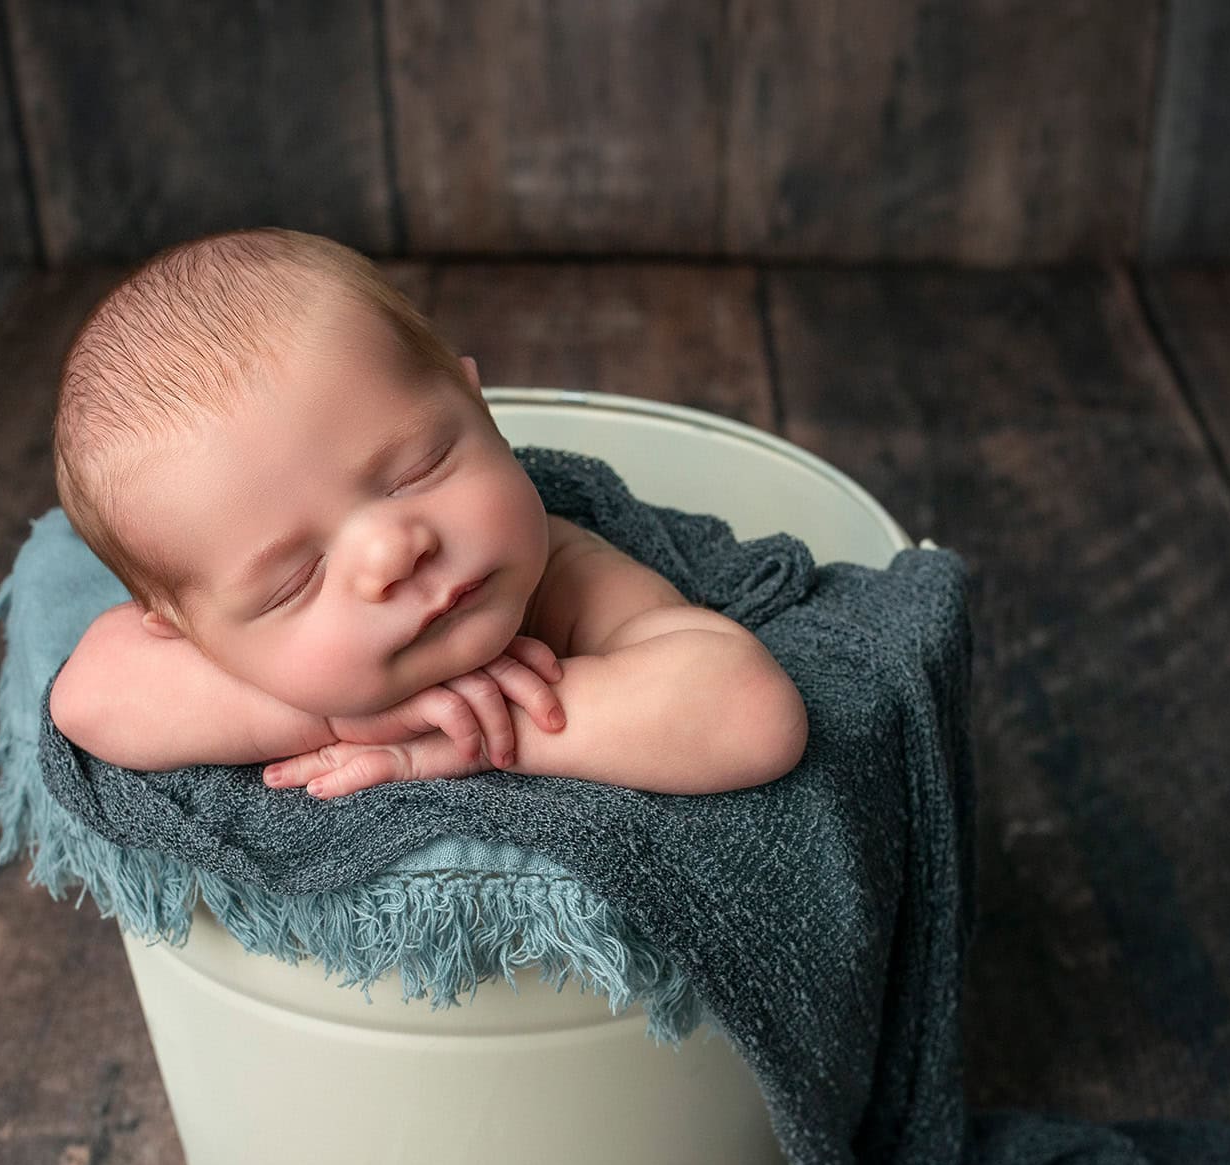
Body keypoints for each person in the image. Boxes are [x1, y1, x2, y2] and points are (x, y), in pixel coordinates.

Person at [47, 227, 807, 800]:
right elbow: (88, 697)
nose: (392, 551)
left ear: (481, 408)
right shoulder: (196, 650)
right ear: (185, 629)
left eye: (417, 470)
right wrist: (338, 719)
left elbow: (747, 712)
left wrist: (487, 734)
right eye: (296, 580)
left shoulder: (563, 579)